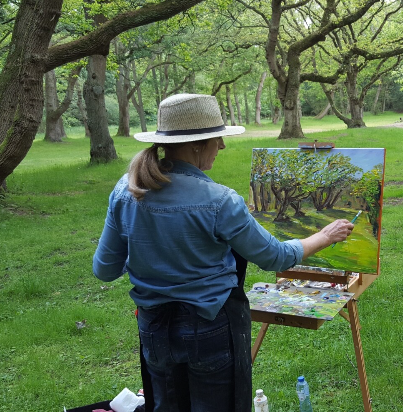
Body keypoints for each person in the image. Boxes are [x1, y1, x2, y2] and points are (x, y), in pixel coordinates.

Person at [92, 93, 354, 412]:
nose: (223, 146)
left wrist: (153, 248)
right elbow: (276, 257)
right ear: (197, 145)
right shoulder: (220, 201)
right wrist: (326, 235)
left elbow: (105, 269)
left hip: (153, 328)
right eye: (218, 139)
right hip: (210, 329)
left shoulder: (125, 190)